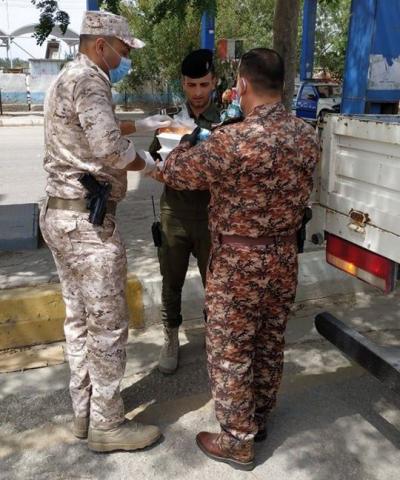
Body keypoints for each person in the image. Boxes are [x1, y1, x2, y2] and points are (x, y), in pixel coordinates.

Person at [161, 48, 319, 470]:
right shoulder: (307, 136)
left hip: (238, 260)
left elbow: (175, 172)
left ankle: (236, 439)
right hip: (283, 254)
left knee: (230, 349)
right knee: (268, 341)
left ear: (243, 84)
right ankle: (258, 419)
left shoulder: (231, 140)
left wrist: (183, 145)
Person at [39, 11, 172, 453]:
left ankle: (84, 412)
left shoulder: (67, 78)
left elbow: (89, 130)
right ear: (102, 45)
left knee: (78, 319)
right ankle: (108, 425)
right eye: (124, 49)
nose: (125, 57)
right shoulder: (92, 80)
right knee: (108, 327)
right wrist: (149, 163)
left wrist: (143, 126)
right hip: (88, 227)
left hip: (60, 216)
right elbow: (109, 148)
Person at [148, 49, 221, 375]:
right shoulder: (170, 122)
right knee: (171, 281)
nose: (198, 92)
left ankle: (214, 335)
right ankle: (171, 336)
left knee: (215, 284)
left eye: (204, 84)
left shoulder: (227, 122)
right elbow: (153, 162)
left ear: (214, 82)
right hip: (174, 214)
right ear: (183, 84)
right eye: (191, 85)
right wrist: (161, 168)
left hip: (211, 217)